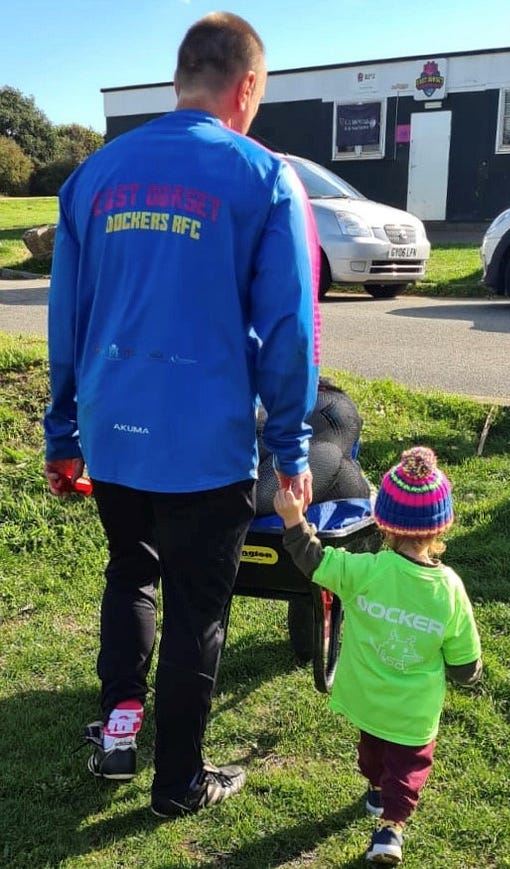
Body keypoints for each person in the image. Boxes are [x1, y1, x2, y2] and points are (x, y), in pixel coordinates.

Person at [43, 12, 319, 818]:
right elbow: (290, 329)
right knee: (200, 604)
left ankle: (121, 731)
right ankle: (178, 781)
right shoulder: (262, 176)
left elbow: (67, 318)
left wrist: (63, 433)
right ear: (248, 87)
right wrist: (291, 442)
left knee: (131, 569)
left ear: (180, 78)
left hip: (113, 429)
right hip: (206, 443)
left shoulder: (93, 177)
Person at [273, 446, 482, 865]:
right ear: (442, 525)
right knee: (407, 771)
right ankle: (391, 829)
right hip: (413, 712)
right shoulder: (449, 590)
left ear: (382, 521)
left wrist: (294, 520)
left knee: (371, 754)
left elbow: (314, 562)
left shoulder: (365, 572)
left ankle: (375, 792)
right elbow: (463, 661)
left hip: (366, 699)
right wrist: (469, 674)